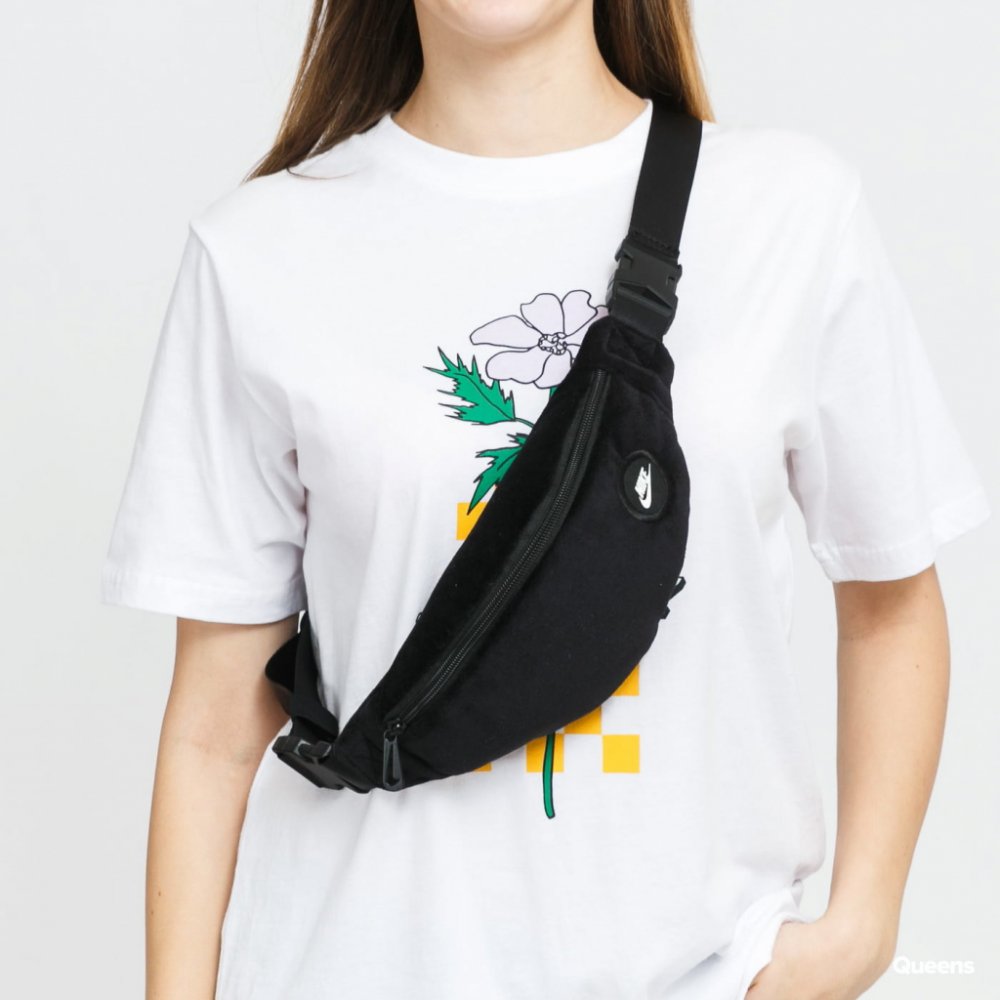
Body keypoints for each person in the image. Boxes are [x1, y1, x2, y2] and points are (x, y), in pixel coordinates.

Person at [99, 1, 992, 998]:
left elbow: (889, 603)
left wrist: (862, 927)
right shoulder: (258, 251)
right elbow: (215, 731)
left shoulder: (786, 210)